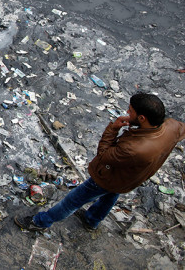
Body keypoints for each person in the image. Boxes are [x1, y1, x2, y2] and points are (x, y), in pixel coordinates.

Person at [15, 93, 185, 232]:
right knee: (111, 195)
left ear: (142, 118)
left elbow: (104, 155)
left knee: (72, 201)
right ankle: (91, 221)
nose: (127, 112)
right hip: (128, 178)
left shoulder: (135, 148)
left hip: (107, 177)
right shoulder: (172, 127)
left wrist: (114, 128)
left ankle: (40, 222)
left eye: (131, 111)